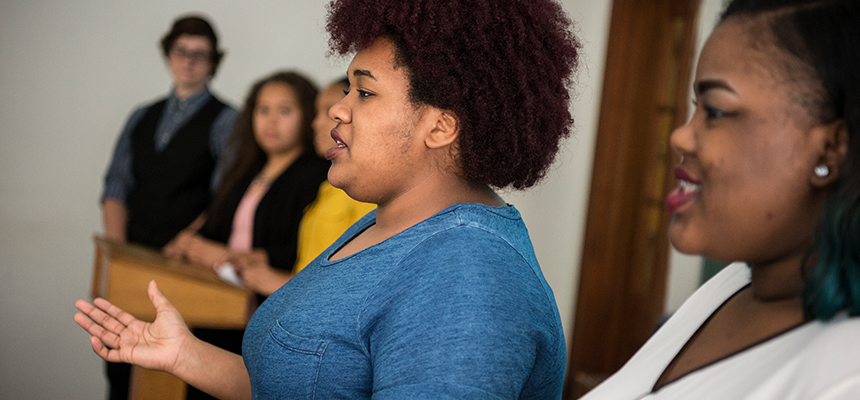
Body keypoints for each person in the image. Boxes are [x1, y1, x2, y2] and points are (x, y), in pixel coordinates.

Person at [74, 0, 580, 398]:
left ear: (441, 125)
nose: (337, 110)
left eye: (364, 92)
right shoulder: (384, 227)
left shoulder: (468, 273)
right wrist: (186, 356)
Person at [580, 0, 860, 398]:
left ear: (831, 149)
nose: (679, 136)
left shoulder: (845, 379)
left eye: (715, 111)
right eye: (696, 107)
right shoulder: (734, 284)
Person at [162, 70, 328, 399]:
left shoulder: (315, 174)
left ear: (307, 115)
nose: (271, 121)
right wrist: (191, 244)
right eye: (262, 110)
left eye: (284, 111)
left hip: (265, 311)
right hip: (217, 303)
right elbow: (216, 229)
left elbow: (299, 249)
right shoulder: (247, 169)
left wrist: (227, 256)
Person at [99, 15, 238, 400]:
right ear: (168, 55)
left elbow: (224, 198)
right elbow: (115, 189)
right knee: (122, 375)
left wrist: (180, 246)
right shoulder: (141, 116)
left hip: (183, 271)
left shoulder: (227, 121)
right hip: (130, 267)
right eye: (182, 51)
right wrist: (122, 254)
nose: (189, 61)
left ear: (214, 61)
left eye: (200, 54)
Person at [229, 77, 375, 278]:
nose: (315, 123)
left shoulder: (367, 189)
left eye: (329, 112)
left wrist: (267, 279)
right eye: (317, 113)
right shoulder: (328, 184)